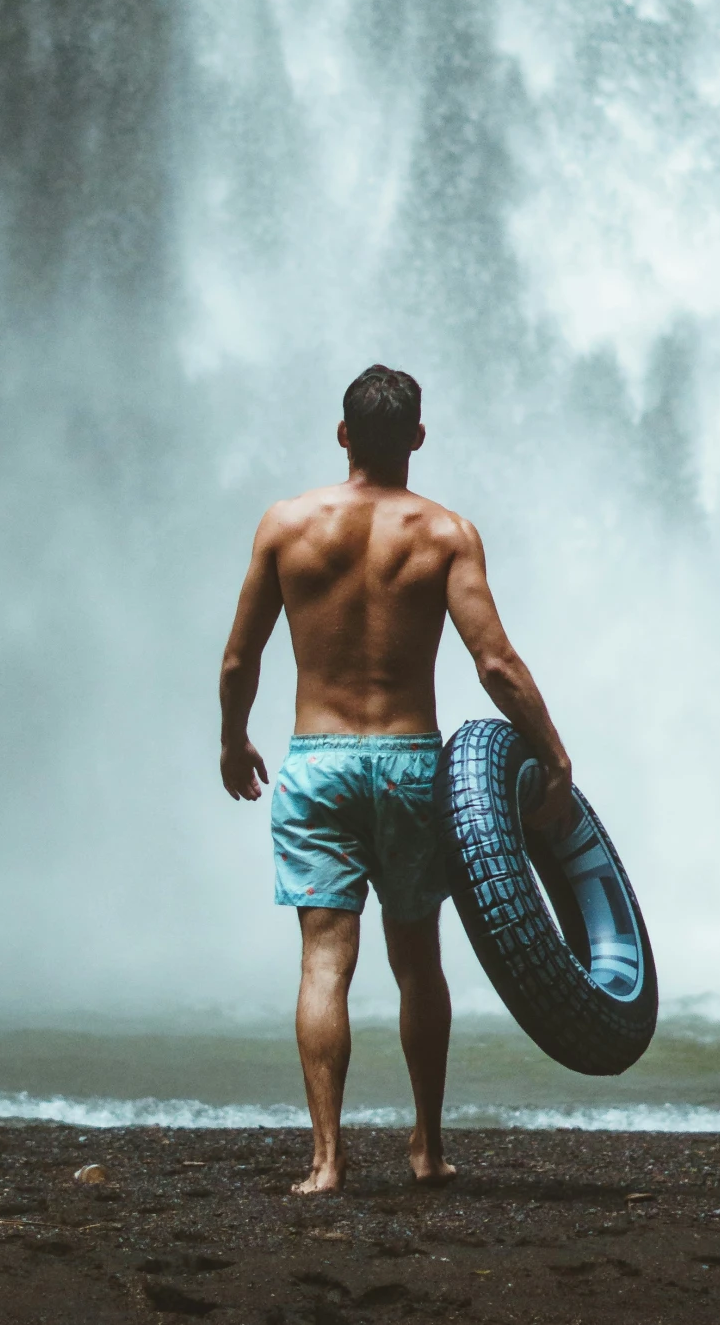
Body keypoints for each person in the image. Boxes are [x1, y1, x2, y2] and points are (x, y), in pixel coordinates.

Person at [219, 364, 574, 1197]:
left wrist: (234, 741)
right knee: (418, 962)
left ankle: (327, 1161)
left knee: (321, 964)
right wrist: (553, 757)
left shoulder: (285, 524)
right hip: (414, 764)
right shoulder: (446, 533)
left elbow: (242, 656)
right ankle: (426, 1147)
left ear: (342, 435)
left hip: (318, 761)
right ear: (417, 437)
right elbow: (495, 662)